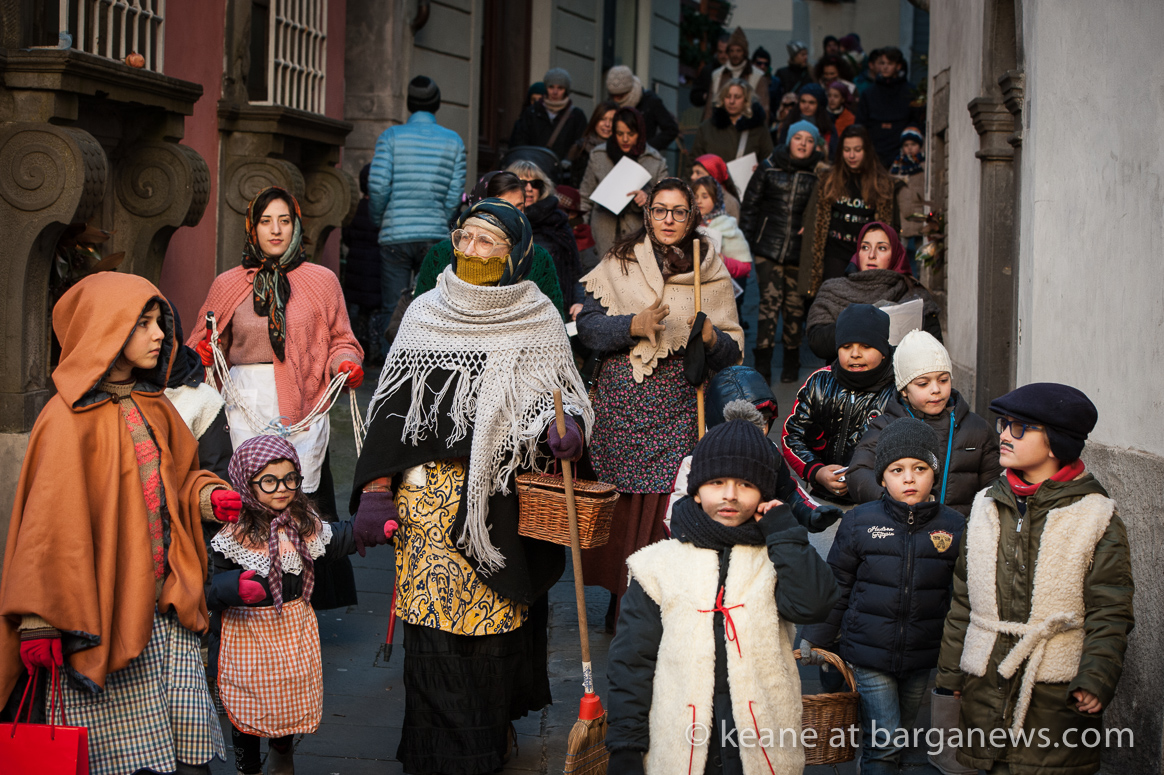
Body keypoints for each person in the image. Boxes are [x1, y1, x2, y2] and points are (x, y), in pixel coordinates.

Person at [353, 197, 592, 774]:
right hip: (428, 504)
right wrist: (376, 491)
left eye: (487, 241)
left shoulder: (536, 316)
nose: (470, 250)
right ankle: (432, 754)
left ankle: (486, 744)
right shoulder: (425, 312)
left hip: (501, 501)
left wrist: (568, 432)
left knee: (493, 628)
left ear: (515, 254)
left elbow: (565, 395)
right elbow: (390, 410)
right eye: (464, 238)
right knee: (433, 630)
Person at [0, 273, 240, 775]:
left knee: (192, 756)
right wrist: (40, 621)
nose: (160, 334)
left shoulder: (157, 406)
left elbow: (180, 479)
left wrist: (208, 497)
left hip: (165, 615)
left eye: (158, 323)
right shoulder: (64, 420)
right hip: (103, 615)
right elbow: (47, 531)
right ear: (106, 329)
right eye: (143, 324)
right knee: (116, 763)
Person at [605, 413, 839, 775]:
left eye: (745, 484)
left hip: (760, 748)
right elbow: (631, 662)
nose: (730, 495)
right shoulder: (658, 566)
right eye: (717, 482)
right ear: (697, 490)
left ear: (763, 494)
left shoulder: (776, 558)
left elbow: (815, 604)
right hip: (679, 747)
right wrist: (625, 746)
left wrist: (784, 533)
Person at [934, 383, 1134, 775]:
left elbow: (1111, 610)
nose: (1004, 435)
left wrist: (1095, 678)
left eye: (1020, 428)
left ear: (1056, 442)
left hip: (1053, 697)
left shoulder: (1095, 516)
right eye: (1004, 424)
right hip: (986, 685)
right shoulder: (986, 505)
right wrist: (950, 676)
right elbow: (963, 601)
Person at [576, 178, 743, 626]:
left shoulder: (709, 269)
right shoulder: (619, 261)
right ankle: (621, 603)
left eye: (679, 212)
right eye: (660, 210)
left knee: (665, 503)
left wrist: (712, 338)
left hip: (679, 404)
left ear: (693, 217)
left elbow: (731, 352)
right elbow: (588, 328)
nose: (669, 219)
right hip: (621, 405)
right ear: (647, 215)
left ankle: (655, 608)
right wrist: (632, 324)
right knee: (625, 505)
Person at [189, 186, 364, 609]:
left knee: (297, 498)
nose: (276, 230)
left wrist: (346, 362)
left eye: (284, 220)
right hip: (244, 405)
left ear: (296, 226)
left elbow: (342, 338)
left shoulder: (322, 281)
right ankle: (247, 594)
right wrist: (205, 349)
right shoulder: (228, 283)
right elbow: (204, 338)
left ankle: (302, 599)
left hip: (303, 405)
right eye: (266, 221)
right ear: (252, 227)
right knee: (251, 496)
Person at [206, 436, 393, 775]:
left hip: (292, 627)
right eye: (269, 481)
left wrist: (365, 530)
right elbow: (207, 586)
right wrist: (233, 587)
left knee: (287, 694)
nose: (282, 489)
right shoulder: (232, 533)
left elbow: (334, 540)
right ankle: (248, 765)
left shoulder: (302, 520)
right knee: (247, 701)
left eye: (290, 479)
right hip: (247, 633)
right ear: (247, 483)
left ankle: (282, 752)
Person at [800, 417, 966, 775]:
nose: (909, 478)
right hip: (867, 650)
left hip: (921, 653)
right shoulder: (860, 521)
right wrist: (816, 636)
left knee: (898, 737)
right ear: (882, 477)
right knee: (886, 739)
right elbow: (838, 583)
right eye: (897, 470)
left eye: (920, 468)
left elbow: (960, 596)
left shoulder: (953, 526)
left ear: (934, 473)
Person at [665, 368, 844, 535]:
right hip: (710, 543)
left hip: (760, 541)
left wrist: (811, 513)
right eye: (750, 423)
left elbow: (788, 492)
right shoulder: (697, 461)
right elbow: (676, 515)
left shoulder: (768, 452)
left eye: (764, 421)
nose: (761, 430)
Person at [846, 330, 1002, 516]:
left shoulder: (977, 428)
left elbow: (993, 484)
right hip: (900, 526)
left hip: (958, 528)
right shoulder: (885, 427)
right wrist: (889, 499)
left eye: (943, 380)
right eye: (923, 383)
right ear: (904, 390)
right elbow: (858, 473)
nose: (936, 389)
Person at [368, 75, 467, 324]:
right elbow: (455, 194)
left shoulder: (390, 136)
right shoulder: (453, 141)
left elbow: (378, 187)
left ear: (409, 104)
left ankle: (392, 349)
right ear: (437, 104)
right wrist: (440, 218)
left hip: (395, 234)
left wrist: (380, 219)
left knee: (393, 308)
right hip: (434, 233)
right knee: (432, 308)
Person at [782, 304, 897, 503]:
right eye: (846, 347)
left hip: (879, 501)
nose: (855, 354)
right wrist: (817, 472)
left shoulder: (898, 390)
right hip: (823, 496)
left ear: (884, 350)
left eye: (866, 346)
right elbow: (793, 435)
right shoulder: (819, 382)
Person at [739, 120, 824, 384]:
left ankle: (791, 359)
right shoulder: (769, 166)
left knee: (794, 307)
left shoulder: (818, 174)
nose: (803, 144)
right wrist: (747, 242)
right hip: (768, 247)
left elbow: (822, 211)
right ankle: (763, 363)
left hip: (800, 251)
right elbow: (750, 205)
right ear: (789, 140)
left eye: (809, 140)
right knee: (769, 303)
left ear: (815, 146)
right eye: (798, 138)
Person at [413, 171, 565, 316]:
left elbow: (552, 318)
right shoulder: (442, 254)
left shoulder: (537, 258)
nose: (511, 217)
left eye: (519, 208)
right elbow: (421, 312)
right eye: (502, 208)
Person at [805, 220, 942, 361]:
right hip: (843, 374)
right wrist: (857, 323)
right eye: (865, 247)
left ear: (895, 254)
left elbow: (935, 351)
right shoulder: (833, 290)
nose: (871, 255)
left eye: (881, 248)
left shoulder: (913, 293)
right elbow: (817, 342)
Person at [800, 124, 899, 295]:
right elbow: (812, 217)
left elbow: (892, 226)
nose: (851, 155)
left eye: (857, 150)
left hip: (867, 258)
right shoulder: (827, 180)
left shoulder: (882, 185)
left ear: (866, 151)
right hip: (833, 256)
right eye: (846, 150)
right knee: (833, 303)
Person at [578, 106, 669, 260]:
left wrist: (648, 199)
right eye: (620, 134)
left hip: (638, 237)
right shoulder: (599, 156)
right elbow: (585, 197)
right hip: (602, 234)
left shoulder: (655, 161)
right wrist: (583, 232)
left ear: (640, 133)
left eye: (631, 134)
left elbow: (666, 205)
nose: (625, 139)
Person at [508, 159, 583, 315]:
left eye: (536, 184)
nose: (529, 188)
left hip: (555, 309)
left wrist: (579, 302)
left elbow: (575, 271)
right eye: (522, 183)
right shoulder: (501, 222)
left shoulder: (558, 222)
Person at [342, 163, 385, 364]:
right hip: (377, 266)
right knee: (376, 310)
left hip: (356, 267)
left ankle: (359, 346)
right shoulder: (382, 211)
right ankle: (375, 350)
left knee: (358, 311)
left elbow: (347, 236)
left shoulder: (356, 208)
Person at [508, 67, 589, 173]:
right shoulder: (531, 112)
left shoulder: (576, 115)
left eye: (560, 88)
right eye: (551, 87)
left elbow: (580, 144)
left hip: (563, 173)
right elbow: (520, 141)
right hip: (533, 170)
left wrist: (568, 161)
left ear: (566, 90)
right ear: (546, 88)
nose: (555, 92)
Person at [856, 47, 923, 167]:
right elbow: (861, 124)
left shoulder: (910, 92)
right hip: (874, 152)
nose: (885, 67)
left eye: (890, 63)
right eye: (882, 63)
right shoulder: (868, 93)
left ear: (898, 66)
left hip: (902, 153)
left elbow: (917, 121)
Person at [692, 78, 774, 167]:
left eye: (737, 97)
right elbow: (693, 160)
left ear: (746, 100)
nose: (732, 101)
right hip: (711, 176)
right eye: (728, 96)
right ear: (722, 99)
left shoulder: (758, 128)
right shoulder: (707, 127)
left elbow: (769, 159)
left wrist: (760, 168)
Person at [701, 26, 771, 120]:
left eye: (738, 51)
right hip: (721, 124)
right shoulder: (718, 74)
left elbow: (763, 108)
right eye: (732, 50)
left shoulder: (757, 76)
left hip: (748, 124)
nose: (735, 54)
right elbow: (710, 107)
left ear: (744, 52)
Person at [605, 65, 680, 152]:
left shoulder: (650, 101)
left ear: (629, 91)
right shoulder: (611, 104)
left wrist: (646, 148)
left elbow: (671, 130)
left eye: (620, 96)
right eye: (613, 95)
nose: (616, 99)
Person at [891, 126, 926, 268]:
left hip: (920, 215)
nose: (910, 148)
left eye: (913, 144)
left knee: (922, 255)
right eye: (906, 145)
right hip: (902, 216)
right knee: (900, 253)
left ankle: (922, 278)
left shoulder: (924, 166)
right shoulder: (897, 166)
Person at [568, 100, 618, 187]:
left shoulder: (623, 150)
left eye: (612, 120)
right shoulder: (581, 148)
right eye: (602, 119)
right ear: (595, 120)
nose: (607, 124)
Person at [775, 83, 835, 155]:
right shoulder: (790, 122)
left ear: (819, 105)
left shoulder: (827, 126)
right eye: (803, 101)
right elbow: (781, 149)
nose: (806, 106)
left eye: (811, 103)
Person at [691, 153, 741, 218]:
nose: (692, 177)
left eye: (698, 173)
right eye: (696, 197)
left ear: (713, 175)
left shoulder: (729, 203)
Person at [689, 33, 731, 109]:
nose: (723, 56)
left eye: (726, 52)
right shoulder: (708, 71)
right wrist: (706, 96)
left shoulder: (740, 71)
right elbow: (694, 96)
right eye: (720, 52)